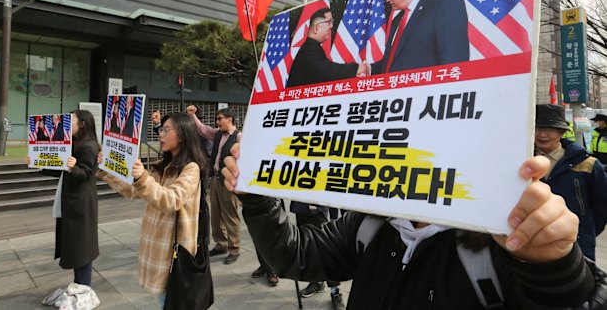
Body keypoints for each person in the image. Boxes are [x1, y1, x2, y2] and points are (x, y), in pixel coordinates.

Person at [222, 143, 607, 309]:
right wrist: (256, 199)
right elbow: (294, 255)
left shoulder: (504, 242)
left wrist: (556, 268)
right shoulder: (371, 223)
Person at [98, 112, 207, 308]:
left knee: (171, 301)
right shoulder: (161, 165)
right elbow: (133, 191)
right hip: (157, 247)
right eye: (161, 129)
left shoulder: (191, 168)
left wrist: (142, 178)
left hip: (174, 253)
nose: (161, 134)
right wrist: (106, 170)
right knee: (165, 300)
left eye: (167, 130)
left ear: (182, 135)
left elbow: (171, 200)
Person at [31, 110, 100, 305]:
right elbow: (60, 165)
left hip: (80, 203)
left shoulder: (88, 146)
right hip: (71, 200)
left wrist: (72, 167)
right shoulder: (74, 143)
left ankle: (83, 287)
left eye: (72, 121)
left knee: (82, 245)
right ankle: (80, 285)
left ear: (83, 124)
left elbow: (85, 174)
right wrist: (38, 162)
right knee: (76, 244)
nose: (67, 124)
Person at [534, 104, 607, 260]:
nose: (542, 135)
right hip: (533, 243)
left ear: (561, 133)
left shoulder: (588, 164)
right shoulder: (521, 162)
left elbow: (602, 205)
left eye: (551, 130)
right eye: (537, 128)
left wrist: (585, 231)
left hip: (577, 244)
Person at [371, 0, 469, 75]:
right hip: (393, 89)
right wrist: (369, 69)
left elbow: (454, 56)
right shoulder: (398, 20)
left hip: (429, 90)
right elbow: (391, 63)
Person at [187, 106, 242, 265]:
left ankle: (234, 248)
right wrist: (193, 115)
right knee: (216, 215)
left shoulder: (239, 137)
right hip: (216, 179)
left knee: (230, 215)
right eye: (217, 119)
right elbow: (202, 129)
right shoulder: (217, 134)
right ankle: (221, 244)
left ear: (229, 119)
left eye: (220, 119)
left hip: (229, 181)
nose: (217, 122)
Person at [286, 8, 370, 88]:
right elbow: (326, 70)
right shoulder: (310, 48)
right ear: (316, 28)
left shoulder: (312, 46)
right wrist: (355, 69)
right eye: (329, 22)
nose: (331, 26)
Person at [290, 202, 345, 309]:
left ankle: (335, 292)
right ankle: (317, 281)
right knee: (308, 249)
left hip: (317, 208)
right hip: (301, 206)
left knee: (327, 252)